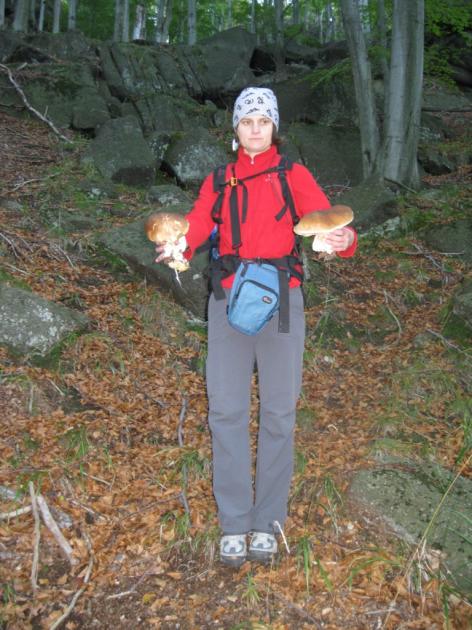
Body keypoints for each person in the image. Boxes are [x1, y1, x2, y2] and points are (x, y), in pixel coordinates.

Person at [155, 87, 357, 567]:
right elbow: (196, 226)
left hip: (283, 301)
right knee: (226, 411)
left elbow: (327, 221)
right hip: (227, 300)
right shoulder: (218, 180)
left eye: (263, 121)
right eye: (247, 121)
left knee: (279, 413)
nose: (255, 129)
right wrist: (178, 245)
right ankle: (233, 522)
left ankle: (268, 522)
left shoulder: (293, 174)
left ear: (274, 127)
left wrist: (345, 239)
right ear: (236, 128)